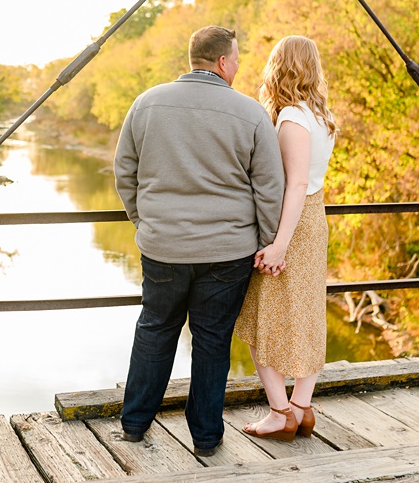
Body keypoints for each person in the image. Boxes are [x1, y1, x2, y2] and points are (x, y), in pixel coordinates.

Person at [114, 25, 285, 457]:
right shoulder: (250, 113)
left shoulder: (146, 103)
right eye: (238, 59)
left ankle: (134, 423)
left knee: (155, 329)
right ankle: (207, 437)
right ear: (223, 63)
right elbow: (269, 187)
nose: (240, 66)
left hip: (162, 246)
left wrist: (143, 221)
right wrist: (266, 240)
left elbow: (124, 172)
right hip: (228, 252)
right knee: (212, 341)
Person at [234, 35, 337, 441]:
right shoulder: (321, 114)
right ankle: (301, 407)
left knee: (261, 317)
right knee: (307, 313)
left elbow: (295, 186)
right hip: (314, 220)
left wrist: (278, 245)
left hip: (292, 224)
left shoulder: (293, 118)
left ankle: (281, 411)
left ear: (280, 67)